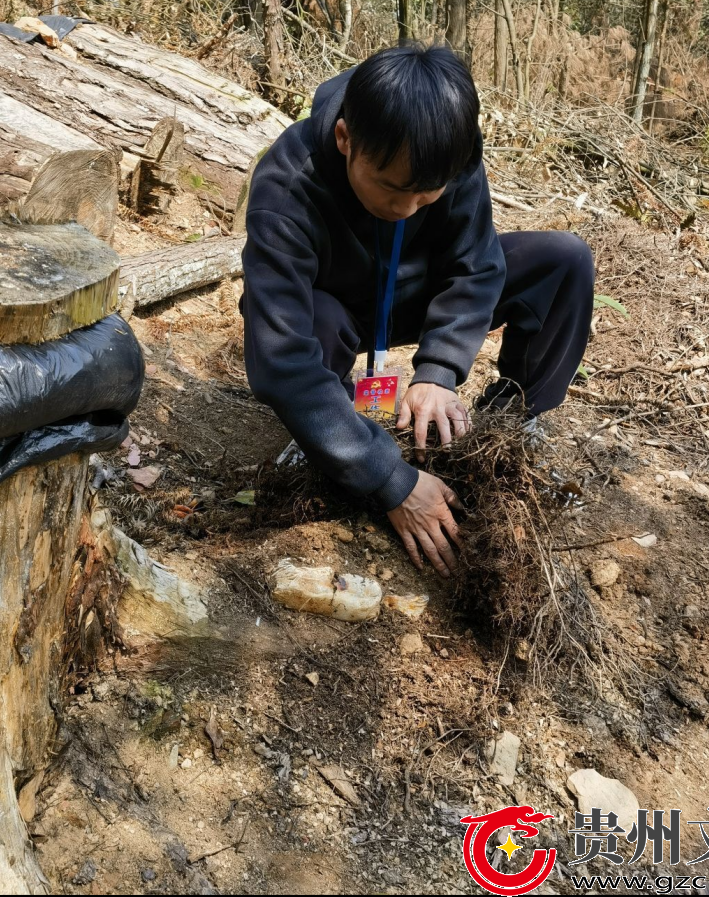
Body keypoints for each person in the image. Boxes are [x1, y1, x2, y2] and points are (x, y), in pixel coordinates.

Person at [241, 45, 594, 578]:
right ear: (345, 140)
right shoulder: (288, 185)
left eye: (427, 196)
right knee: (313, 318)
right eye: (389, 188)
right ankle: (325, 434)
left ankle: (514, 424)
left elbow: (476, 267)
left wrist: (439, 372)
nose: (405, 209)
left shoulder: (451, 153)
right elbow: (280, 357)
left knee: (563, 260)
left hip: (416, 295)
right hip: (336, 307)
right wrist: (391, 480)